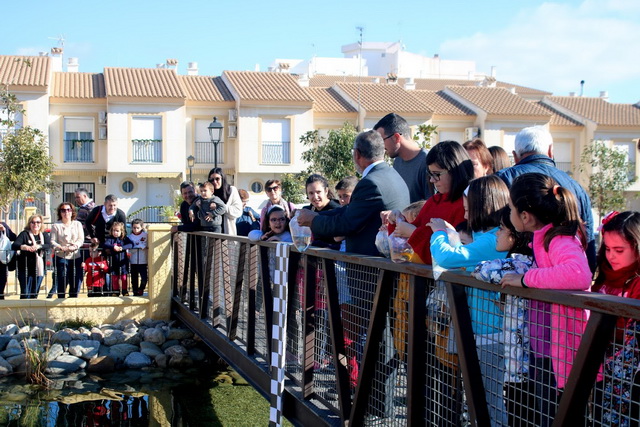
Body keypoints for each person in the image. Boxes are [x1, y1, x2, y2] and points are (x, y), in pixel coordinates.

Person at [297, 130, 410, 420]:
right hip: (385, 271)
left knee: (373, 340)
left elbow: (347, 222)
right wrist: (318, 218)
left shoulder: (370, 182)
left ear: (357, 155)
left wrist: (314, 220)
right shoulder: (393, 176)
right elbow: (349, 216)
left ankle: (373, 407)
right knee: (379, 339)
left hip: (371, 274)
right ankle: (376, 405)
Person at [500, 173, 592, 426]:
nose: (509, 213)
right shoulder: (546, 237)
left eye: (511, 208)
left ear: (525, 216)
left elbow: (578, 274)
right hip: (546, 346)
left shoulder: (558, 239)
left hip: (561, 351)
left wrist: (526, 278)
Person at [428, 175, 511, 426]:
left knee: (489, 401)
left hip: (491, 333)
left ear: (482, 206)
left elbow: (447, 258)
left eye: (468, 209)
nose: (465, 214)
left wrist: (439, 234)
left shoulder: (492, 240)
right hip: (483, 330)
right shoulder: (488, 236)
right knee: (480, 399)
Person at [495, 126, 596, 271]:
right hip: (569, 278)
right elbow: (588, 242)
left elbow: (490, 229)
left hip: (515, 274)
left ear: (515, 156)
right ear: (550, 150)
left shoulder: (502, 179)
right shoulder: (576, 186)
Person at [473, 207, 536, 427]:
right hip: (521, 358)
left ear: (515, 236)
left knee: (522, 413)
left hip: (524, 360)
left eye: (501, 229)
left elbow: (482, 270)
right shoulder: (521, 262)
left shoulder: (520, 263)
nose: (496, 233)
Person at [387, 140, 474, 264]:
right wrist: (397, 221)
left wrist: (413, 233)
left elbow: (451, 254)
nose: (432, 180)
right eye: (430, 174)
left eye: (437, 174)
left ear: (455, 171)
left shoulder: (466, 206)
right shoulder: (434, 201)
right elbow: (404, 242)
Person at [591, 211, 640, 425]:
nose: (611, 256)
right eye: (608, 249)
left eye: (619, 250)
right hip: (601, 367)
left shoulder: (637, 282)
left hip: (631, 375)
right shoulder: (604, 275)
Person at [374, 112, 432, 203]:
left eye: (381, 141)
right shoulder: (397, 161)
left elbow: (432, 204)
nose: (380, 147)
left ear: (396, 138)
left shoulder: (427, 162)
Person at [12, 214, 51, 299]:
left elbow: (48, 245)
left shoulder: (44, 234)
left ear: (41, 223)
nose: (35, 224)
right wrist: (24, 247)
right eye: (33, 222)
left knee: (34, 293)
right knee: (25, 293)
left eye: (38, 222)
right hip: (25, 268)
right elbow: (15, 245)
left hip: (39, 268)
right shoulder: (24, 234)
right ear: (29, 224)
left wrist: (39, 246)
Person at [50, 202, 85, 298]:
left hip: (75, 256)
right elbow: (52, 241)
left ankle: (73, 301)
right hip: (61, 256)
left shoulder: (77, 224)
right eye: (63, 210)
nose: (66, 212)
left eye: (68, 210)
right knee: (62, 280)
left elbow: (81, 239)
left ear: (72, 211)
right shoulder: (56, 225)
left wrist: (74, 246)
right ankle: (60, 300)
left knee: (75, 282)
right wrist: (60, 247)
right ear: (60, 212)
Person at [303, 174, 341, 250]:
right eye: (311, 193)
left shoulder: (337, 210)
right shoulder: (307, 210)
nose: (315, 197)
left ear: (326, 191)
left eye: (318, 192)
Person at [208, 168, 243, 235]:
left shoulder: (231, 190)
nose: (214, 182)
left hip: (227, 231)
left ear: (222, 178)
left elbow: (238, 211)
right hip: (211, 232)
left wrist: (220, 207)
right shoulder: (208, 193)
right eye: (211, 180)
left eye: (217, 179)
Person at [103, 222, 133, 296]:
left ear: (121, 231)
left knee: (123, 277)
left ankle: (124, 291)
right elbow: (105, 244)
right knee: (114, 277)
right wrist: (113, 247)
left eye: (117, 231)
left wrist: (122, 248)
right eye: (114, 230)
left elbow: (131, 244)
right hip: (114, 262)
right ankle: (116, 291)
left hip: (123, 262)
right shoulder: (110, 239)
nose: (115, 232)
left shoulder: (124, 239)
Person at [128, 219, 148, 296]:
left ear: (141, 227)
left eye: (138, 228)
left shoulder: (146, 235)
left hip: (143, 261)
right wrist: (138, 247)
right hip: (133, 261)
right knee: (134, 278)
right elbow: (129, 248)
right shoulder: (130, 237)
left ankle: (141, 288)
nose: (136, 230)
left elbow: (147, 244)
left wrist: (143, 246)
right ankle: (135, 291)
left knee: (144, 278)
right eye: (134, 228)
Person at [0, 222, 17, 300]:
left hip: (1, 261)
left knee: (1, 282)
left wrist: (4, 230)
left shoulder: (2, 225)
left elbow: (14, 237)